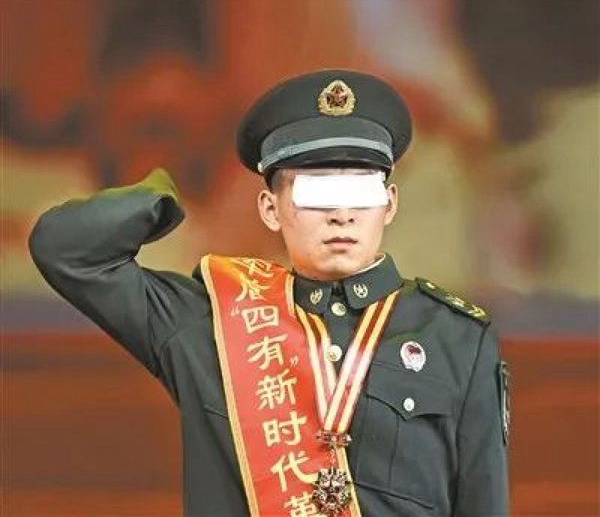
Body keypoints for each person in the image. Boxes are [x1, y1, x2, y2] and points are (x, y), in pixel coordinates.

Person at [29, 69, 509, 517]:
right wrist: (162, 197)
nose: (341, 214)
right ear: (270, 209)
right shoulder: (210, 320)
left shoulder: (458, 339)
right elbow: (65, 250)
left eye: (360, 191)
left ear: (389, 204)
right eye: (315, 193)